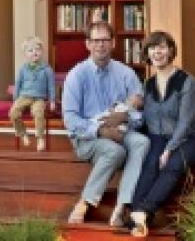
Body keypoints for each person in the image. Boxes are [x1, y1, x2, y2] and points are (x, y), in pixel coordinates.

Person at [62, 21, 150, 228]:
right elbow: (70, 120)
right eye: (95, 40)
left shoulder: (126, 73)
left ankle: (122, 205)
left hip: (121, 130)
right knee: (115, 151)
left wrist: (125, 117)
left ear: (113, 43)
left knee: (142, 142)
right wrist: (101, 131)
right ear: (87, 44)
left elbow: (141, 112)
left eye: (105, 40)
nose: (100, 45)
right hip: (87, 137)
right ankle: (85, 202)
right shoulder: (76, 75)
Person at [128, 31, 195, 238]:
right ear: (147, 53)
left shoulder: (186, 81)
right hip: (157, 137)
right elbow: (144, 120)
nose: (157, 52)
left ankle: (143, 211)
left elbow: (186, 121)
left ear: (171, 51)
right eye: (153, 48)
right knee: (150, 164)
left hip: (189, 139)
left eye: (162, 47)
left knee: (172, 165)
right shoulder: (147, 85)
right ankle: (137, 217)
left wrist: (169, 149)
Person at [9, 36, 56, 152]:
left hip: (39, 98)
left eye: (37, 49)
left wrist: (52, 100)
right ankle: (23, 133)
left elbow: (51, 86)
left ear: (42, 51)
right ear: (25, 54)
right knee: (13, 113)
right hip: (24, 96)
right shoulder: (23, 69)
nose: (34, 52)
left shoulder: (47, 69)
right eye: (30, 50)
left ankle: (40, 138)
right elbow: (18, 84)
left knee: (38, 113)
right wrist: (15, 99)